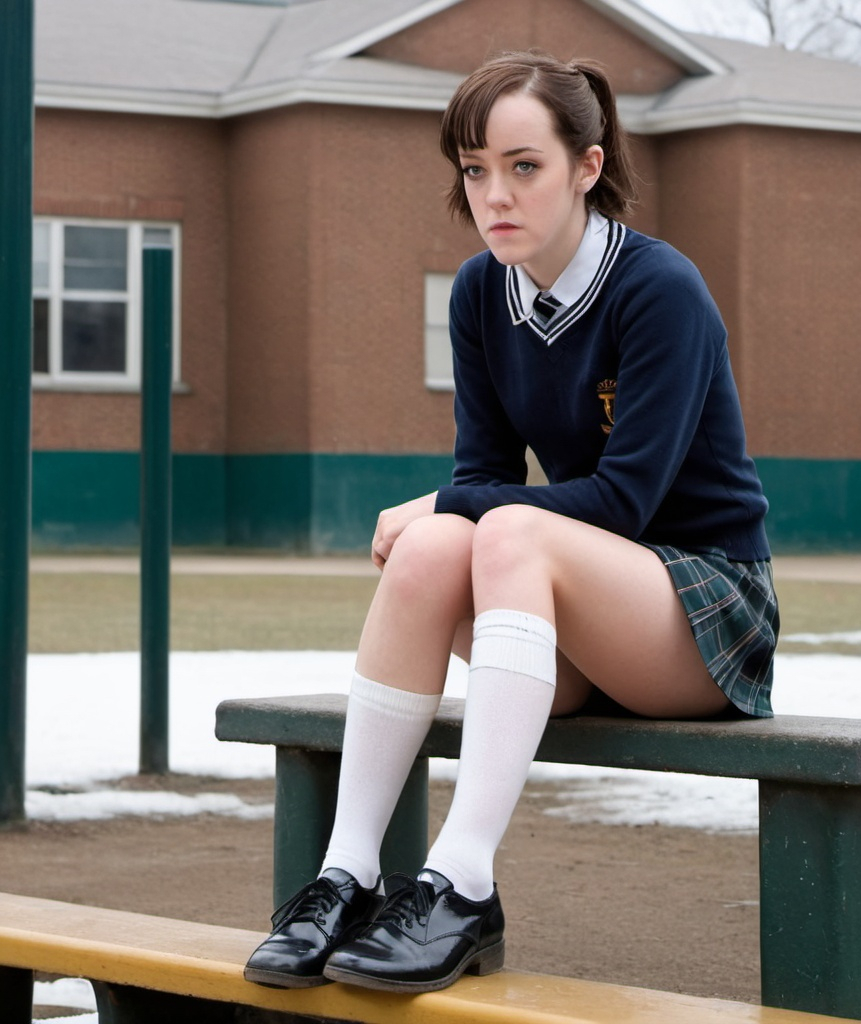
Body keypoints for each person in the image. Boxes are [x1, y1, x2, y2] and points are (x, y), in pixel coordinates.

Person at [243, 49, 779, 996]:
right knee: (437, 543)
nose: (496, 194)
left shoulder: (661, 290)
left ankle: (462, 882)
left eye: (524, 166)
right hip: (568, 624)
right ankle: (348, 875)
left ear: (588, 165)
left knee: (489, 526)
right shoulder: (481, 292)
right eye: (474, 168)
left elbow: (621, 504)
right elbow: (484, 477)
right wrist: (447, 511)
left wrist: (453, 504)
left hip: (704, 612)